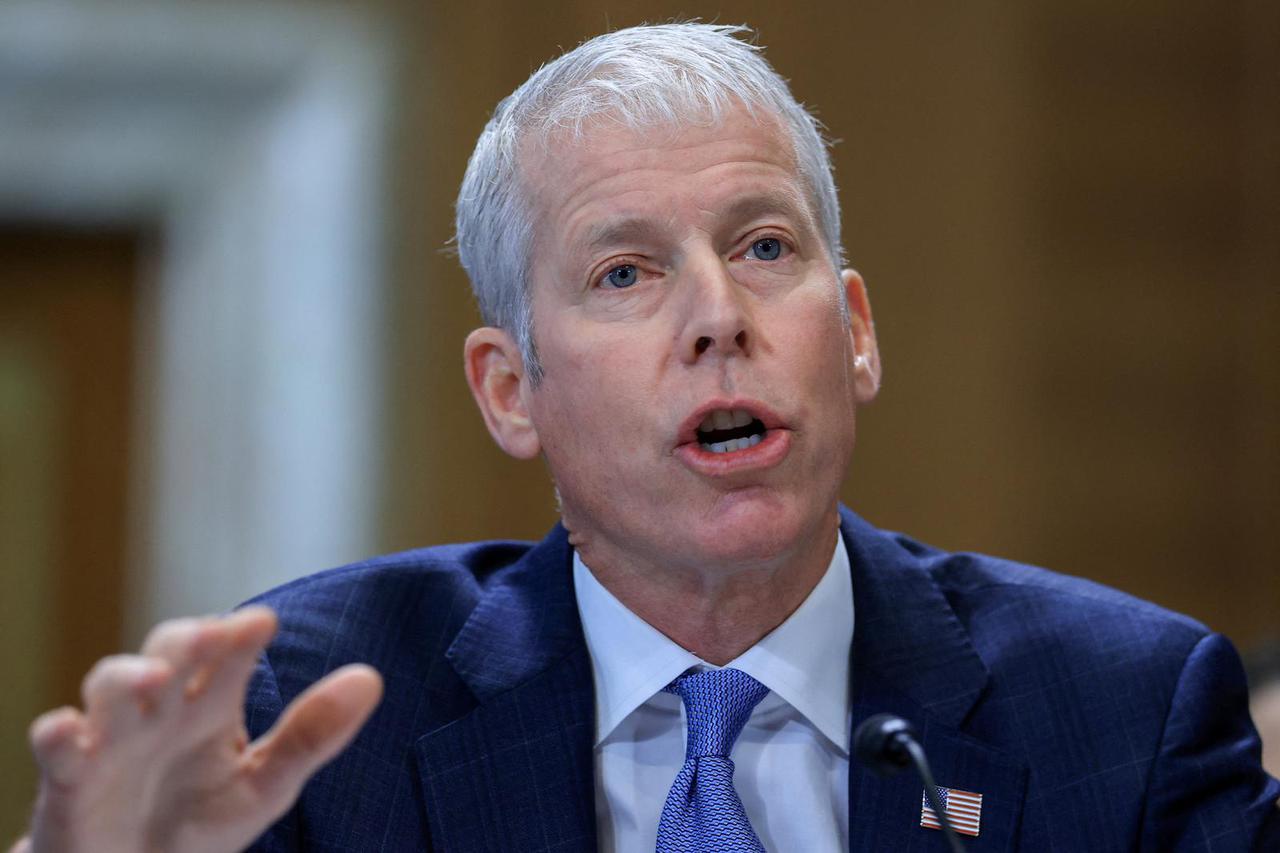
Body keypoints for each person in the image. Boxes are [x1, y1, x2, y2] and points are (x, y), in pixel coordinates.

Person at [13, 22, 1280, 853]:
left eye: (763, 247)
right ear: (509, 390)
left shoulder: (1120, 712)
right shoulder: (327, 712)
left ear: (853, 331)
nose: (718, 316)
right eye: (624, 273)